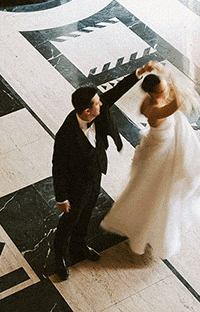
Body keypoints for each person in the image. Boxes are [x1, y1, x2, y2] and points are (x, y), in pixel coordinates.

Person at [101, 61, 200, 261]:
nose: (165, 91)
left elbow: (170, 95)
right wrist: (173, 78)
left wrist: (164, 76)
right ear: (153, 94)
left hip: (161, 142)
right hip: (163, 150)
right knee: (160, 188)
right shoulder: (155, 110)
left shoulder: (148, 100)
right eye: (162, 90)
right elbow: (179, 101)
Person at [51, 64, 149, 281]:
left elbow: (116, 91)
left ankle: (79, 245)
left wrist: (139, 73)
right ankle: (59, 256)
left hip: (95, 174)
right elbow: (58, 167)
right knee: (69, 219)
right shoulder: (66, 135)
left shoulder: (98, 109)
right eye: (97, 103)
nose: (101, 104)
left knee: (86, 214)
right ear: (87, 111)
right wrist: (61, 198)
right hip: (76, 183)